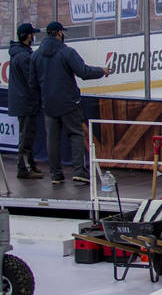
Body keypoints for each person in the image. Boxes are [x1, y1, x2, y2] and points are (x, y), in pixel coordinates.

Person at [32, 21, 112, 185]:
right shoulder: (67, 52)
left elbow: (32, 84)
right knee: (76, 134)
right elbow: (83, 72)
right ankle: (79, 172)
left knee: (52, 139)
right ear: (60, 33)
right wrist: (101, 71)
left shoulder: (36, 55)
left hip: (49, 104)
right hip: (69, 102)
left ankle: (55, 174)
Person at [9, 23, 42, 179]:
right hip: (26, 103)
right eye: (32, 34)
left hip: (23, 102)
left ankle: (30, 164)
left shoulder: (18, 53)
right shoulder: (23, 57)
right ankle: (24, 169)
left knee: (27, 135)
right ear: (28, 36)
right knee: (26, 136)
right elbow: (32, 80)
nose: (34, 37)